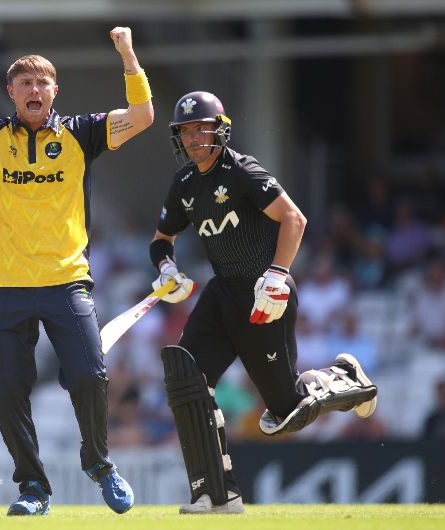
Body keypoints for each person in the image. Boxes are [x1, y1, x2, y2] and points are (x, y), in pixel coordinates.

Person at [0, 25, 153, 516]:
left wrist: (128, 54)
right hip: (6, 286)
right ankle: (33, 488)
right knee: (5, 390)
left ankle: (99, 464)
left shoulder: (83, 133)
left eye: (43, 84)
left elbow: (145, 115)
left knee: (89, 377)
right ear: (12, 94)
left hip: (66, 281)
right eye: (25, 85)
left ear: (55, 92)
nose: (35, 91)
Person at [148, 91, 377, 514]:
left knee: (283, 414)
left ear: (220, 129)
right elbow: (162, 240)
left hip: (263, 294)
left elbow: (295, 219)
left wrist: (277, 275)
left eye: (203, 128)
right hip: (221, 293)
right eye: (187, 131)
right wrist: (167, 270)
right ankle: (216, 495)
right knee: (185, 378)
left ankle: (346, 377)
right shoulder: (183, 184)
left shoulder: (241, 170)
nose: (196, 138)